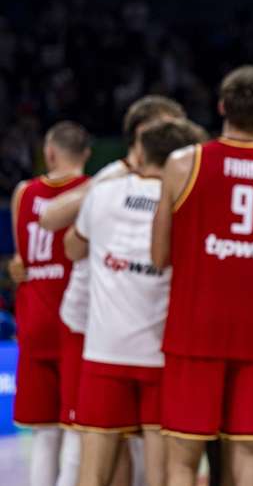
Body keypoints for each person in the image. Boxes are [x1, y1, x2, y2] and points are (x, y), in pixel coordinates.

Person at [152, 66, 253, 486]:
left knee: (183, 459)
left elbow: (158, 255)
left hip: (197, 325)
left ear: (221, 107)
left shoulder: (183, 162)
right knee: (250, 451)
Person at [45, 95, 187, 486]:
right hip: (116, 331)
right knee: (131, 456)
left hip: (111, 341)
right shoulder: (117, 181)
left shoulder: (111, 192)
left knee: (102, 459)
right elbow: (51, 218)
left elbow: (73, 244)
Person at [9, 121, 91, 486]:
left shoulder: (22, 192)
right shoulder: (90, 192)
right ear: (86, 154)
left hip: (33, 319)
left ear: (49, 152)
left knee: (43, 432)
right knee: (75, 427)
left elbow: (20, 261)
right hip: (74, 321)